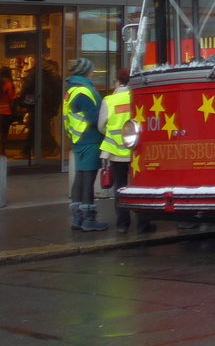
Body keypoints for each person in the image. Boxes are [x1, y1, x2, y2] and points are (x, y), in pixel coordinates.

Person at [99, 69, 154, 234]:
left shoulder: (109, 100)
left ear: (118, 81)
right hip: (137, 152)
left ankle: (122, 224)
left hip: (116, 153)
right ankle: (143, 224)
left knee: (120, 188)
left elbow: (101, 125)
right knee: (140, 188)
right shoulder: (140, 97)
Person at [62, 57, 107, 232]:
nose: (93, 73)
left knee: (80, 177)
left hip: (77, 138)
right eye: (91, 70)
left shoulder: (71, 90)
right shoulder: (86, 91)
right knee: (88, 178)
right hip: (91, 139)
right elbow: (96, 117)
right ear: (86, 72)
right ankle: (89, 219)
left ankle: (77, 218)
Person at [0, 66, 14, 155]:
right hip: (5, 110)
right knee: (4, 133)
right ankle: (2, 150)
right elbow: (11, 98)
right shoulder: (8, 84)